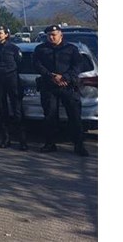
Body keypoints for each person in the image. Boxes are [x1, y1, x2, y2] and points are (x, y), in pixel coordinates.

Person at [33, 25, 89, 156]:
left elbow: (78, 65)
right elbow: (37, 65)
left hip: (67, 86)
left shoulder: (71, 49)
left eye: (54, 35)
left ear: (61, 35)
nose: (51, 37)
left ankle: (79, 145)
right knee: (50, 116)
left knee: (74, 116)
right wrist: (51, 76)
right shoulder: (40, 49)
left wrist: (65, 77)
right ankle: (50, 144)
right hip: (49, 86)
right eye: (49, 35)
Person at [0, 26, 27, 150]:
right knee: (2, 110)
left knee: (17, 110)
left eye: (0, 33)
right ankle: (6, 139)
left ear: (6, 34)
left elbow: (19, 63)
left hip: (12, 79)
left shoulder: (13, 48)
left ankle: (22, 140)